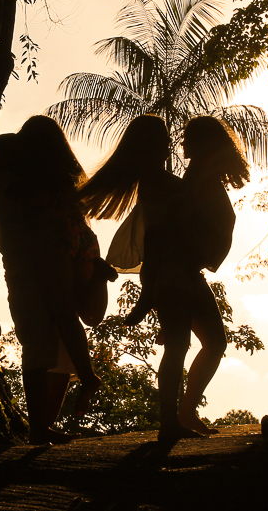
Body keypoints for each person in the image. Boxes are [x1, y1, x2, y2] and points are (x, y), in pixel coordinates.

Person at [82, 115, 248, 442]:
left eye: (181, 139)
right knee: (179, 346)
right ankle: (170, 421)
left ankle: (183, 413)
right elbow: (157, 237)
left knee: (212, 343)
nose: (175, 144)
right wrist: (148, 294)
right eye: (167, 140)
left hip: (184, 272)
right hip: (172, 273)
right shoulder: (161, 183)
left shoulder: (177, 180)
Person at [0, 117, 110, 445]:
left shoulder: (19, 179)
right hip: (71, 246)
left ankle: (44, 423)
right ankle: (45, 422)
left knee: (47, 334)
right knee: (61, 328)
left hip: (44, 255)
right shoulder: (51, 177)